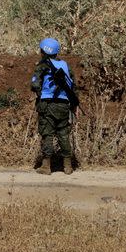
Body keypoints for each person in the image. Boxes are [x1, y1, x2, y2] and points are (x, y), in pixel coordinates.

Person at [31, 37, 77, 175]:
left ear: (43, 51)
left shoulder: (42, 65)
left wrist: (41, 94)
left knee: (47, 134)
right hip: (64, 105)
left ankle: (46, 166)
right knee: (63, 134)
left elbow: (34, 85)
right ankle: (68, 166)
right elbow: (73, 86)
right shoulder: (65, 65)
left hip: (47, 104)